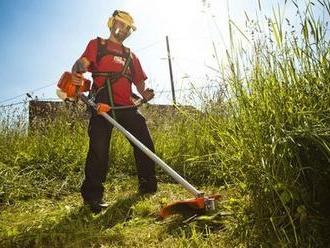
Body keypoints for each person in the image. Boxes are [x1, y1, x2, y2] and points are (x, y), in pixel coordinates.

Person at [71, 10, 157, 213]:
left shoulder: (130, 55)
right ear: (112, 24)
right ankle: (93, 196)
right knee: (99, 149)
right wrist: (77, 73)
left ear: (129, 31)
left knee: (144, 143)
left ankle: (148, 187)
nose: (123, 29)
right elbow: (81, 64)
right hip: (102, 103)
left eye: (127, 27)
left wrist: (145, 93)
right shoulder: (97, 45)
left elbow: (140, 83)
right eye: (120, 24)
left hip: (127, 106)